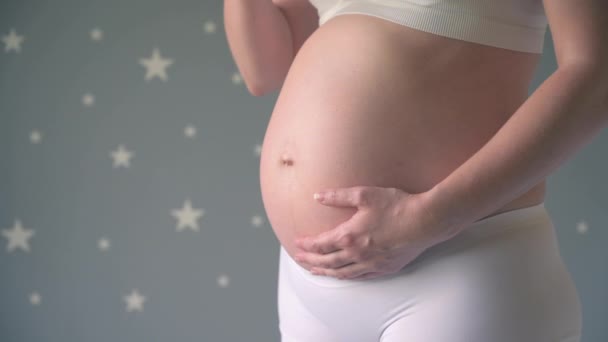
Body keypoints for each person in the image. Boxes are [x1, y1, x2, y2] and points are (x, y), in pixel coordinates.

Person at [224, 0, 607, 341]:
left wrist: (431, 218)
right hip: (310, 286)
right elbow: (265, 71)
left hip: (461, 263)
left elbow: (596, 72)